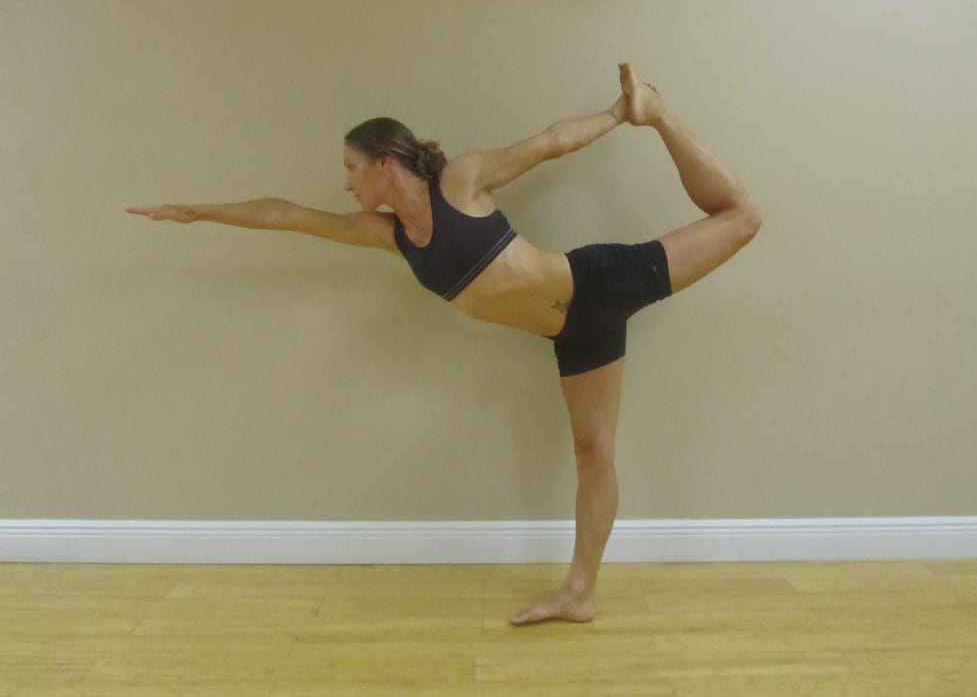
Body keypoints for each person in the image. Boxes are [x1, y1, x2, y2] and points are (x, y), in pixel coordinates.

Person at [127, 64, 762, 625]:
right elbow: (288, 215)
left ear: (384, 162)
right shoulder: (391, 236)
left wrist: (619, 114)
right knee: (593, 451)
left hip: (601, 280)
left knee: (742, 215)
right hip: (575, 336)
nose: (346, 183)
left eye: (350, 168)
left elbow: (550, 142)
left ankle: (659, 114)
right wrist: (199, 211)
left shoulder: (461, 182)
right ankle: (579, 594)